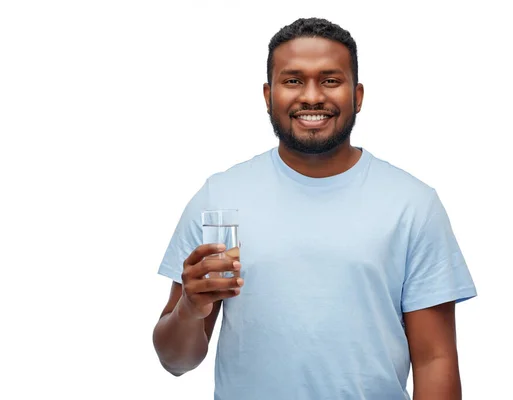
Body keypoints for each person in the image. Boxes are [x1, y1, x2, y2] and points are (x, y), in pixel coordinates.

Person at [152, 17, 477, 400]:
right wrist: (191, 307)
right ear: (267, 95)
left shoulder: (413, 204)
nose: (311, 96)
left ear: (357, 95)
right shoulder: (219, 198)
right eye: (292, 80)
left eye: (329, 80)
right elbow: (176, 362)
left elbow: (434, 359)